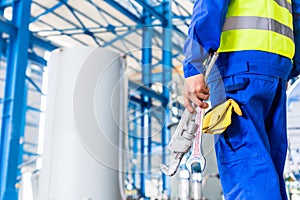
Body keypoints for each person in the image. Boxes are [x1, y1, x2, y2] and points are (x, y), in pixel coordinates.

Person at [182, 0, 300, 199]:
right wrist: (291, 68)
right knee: (267, 170)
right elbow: (297, 13)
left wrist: (194, 62)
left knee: (246, 168)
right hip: (276, 71)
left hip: (237, 67)